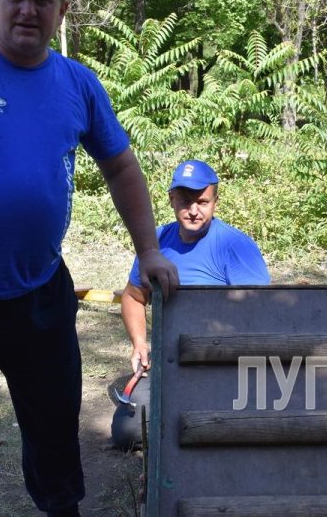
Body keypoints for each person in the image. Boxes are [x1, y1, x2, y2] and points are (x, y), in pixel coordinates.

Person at [0, 0, 178, 517]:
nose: (28, 10)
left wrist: (150, 250)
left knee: (55, 430)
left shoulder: (78, 84)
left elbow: (122, 168)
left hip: (37, 295)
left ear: (61, 11)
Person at [112, 159, 270, 449]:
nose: (194, 210)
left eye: (202, 201)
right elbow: (133, 297)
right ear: (171, 199)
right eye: (185, 201)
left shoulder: (236, 246)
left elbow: (261, 315)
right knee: (127, 434)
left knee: (213, 429)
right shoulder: (155, 243)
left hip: (223, 366)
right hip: (170, 364)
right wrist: (139, 343)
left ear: (215, 202)